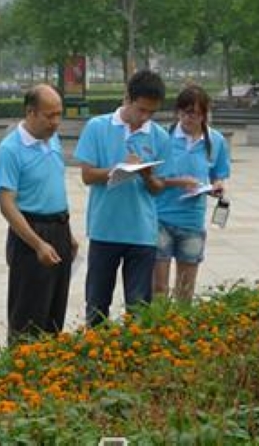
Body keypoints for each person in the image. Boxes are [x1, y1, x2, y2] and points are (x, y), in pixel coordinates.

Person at [73, 70, 174, 327]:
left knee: (139, 309)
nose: (145, 118)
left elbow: (158, 188)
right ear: (127, 98)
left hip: (141, 233)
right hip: (104, 229)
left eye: (151, 112)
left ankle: (135, 361)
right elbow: (86, 175)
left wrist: (147, 175)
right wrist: (117, 169)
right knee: (97, 306)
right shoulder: (98, 127)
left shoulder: (159, 136)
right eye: (141, 110)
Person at [0, 84, 77, 342]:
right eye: (49, 115)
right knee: (28, 315)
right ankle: (22, 373)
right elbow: (7, 204)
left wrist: (68, 234)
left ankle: (49, 373)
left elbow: (55, 189)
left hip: (59, 229)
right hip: (30, 233)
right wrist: (38, 244)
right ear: (30, 112)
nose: (56, 122)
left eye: (59, 114)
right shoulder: (10, 149)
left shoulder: (52, 139)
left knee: (55, 310)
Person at [152, 85, 231, 303]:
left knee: (185, 288)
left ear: (205, 115)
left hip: (192, 221)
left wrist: (217, 186)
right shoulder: (163, 137)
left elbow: (218, 174)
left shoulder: (215, 141)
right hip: (161, 217)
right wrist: (179, 182)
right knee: (158, 286)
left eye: (197, 114)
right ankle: (158, 328)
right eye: (186, 112)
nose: (191, 119)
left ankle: (182, 330)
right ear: (178, 112)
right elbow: (151, 178)